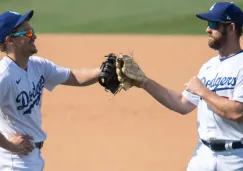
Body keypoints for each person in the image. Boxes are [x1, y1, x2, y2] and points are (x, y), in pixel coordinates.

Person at [122, 2, 243, 171]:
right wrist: (144, 82)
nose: (207, 29)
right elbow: (181, 103)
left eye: (214, 24)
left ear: (231, 28)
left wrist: (203, 91)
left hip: (236, 159)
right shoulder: (208, 67)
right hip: (203, 156)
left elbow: (237, 112)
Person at [0, 10, 103, 170]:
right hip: (14, 162)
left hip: (32, 158)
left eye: (32, 31)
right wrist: (9, 145)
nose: (33, 36)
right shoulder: (3, 76)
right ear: (10, 41)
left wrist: (103, 71)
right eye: (27, 33)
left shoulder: (38, 65)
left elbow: (74, 77)